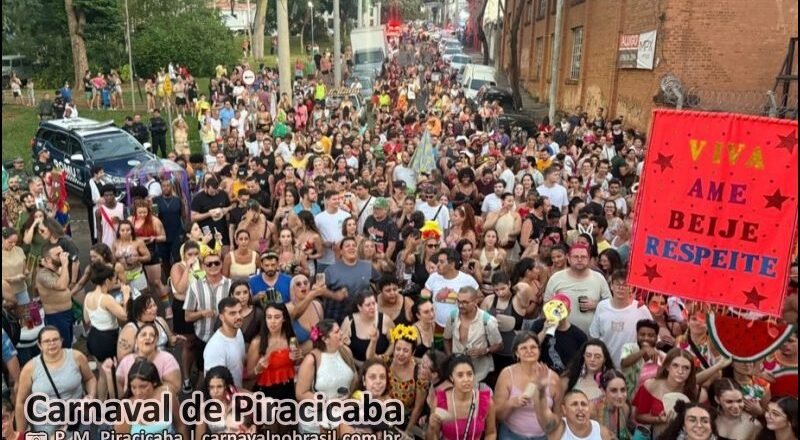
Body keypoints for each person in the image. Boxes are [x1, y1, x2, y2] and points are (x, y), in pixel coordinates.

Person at [14, 326, 96, 435]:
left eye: (55, 339)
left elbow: (90, 378)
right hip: (46, 424)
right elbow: (21, 402)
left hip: (76, 417)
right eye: (47, 341)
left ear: (61, 341)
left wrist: (90, 395)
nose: (52, 343)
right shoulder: (30, 368)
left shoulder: (77, 357)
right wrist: (21, 434)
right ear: (39, 345)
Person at [493, 331, 561, 440]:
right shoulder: (506, 374)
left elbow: (558, 415)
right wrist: (512, 403)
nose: (529, 351)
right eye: (524, 348)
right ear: (516, 353)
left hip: (543, 436)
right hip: (511, 435)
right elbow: (497, 415)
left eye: (533, 347)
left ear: (539, 350)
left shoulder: (553, 377)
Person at [295, 319, 358, 434]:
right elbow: (300, 393)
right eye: (337, 332)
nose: (341, 334)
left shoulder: (346, 352)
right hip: (317, 420)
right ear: (325, 339)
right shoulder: (312, 360)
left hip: (343, 414)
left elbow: (354, 379)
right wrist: (328, 401)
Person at [184, 252, 232, 387]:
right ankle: (200, 404)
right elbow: (187, 316)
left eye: (216, 263)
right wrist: (202, 313)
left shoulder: (230, 285)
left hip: (225, 338)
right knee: (203, 373)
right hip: (203, 338)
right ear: (203, 267)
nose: (213, 266)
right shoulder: (194, 286)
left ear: (222, 264)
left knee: (225, 375)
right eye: (209, 264)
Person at [632, 348, 703, 439]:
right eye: (675, 366)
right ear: (667, 366)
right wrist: (658, 419)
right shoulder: (651, 385)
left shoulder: (697, 392)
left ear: (691, 371)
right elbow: (638, 416)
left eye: (686, 367)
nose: (680, 371)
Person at [544, 243, 612, 334]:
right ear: (568, 258)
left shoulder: (598, 278)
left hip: (591, 335)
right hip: (562, 335)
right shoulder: (556, 278)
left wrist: (596, 305)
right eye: (576, 257)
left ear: (589, 259)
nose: (579, 260)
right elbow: (546, 305)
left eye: (583, 257)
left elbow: (610, 304)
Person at [589, 270, 653, 367]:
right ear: (611, 286)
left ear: (631, 287)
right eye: (617, 284)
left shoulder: (641, 309)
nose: (621, 288)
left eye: (625, 285)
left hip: (632, 367)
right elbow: (594, 336)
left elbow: (653, 335)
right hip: (606, 365)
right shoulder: (602, 306)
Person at [427, 355, 497, 440]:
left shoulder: (486, 401)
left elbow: (491, 433)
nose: (466, 379)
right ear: (451, 378)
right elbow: (432, 437)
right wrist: (431, 427)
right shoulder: (441, 401)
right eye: (460, 375)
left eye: (469, 374)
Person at [444, 286, 504, 384]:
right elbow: (446, 339)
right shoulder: (453, 317)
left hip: (480, 373)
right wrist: (450, 359)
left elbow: (500, 345)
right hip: (458, 373)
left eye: (465, 302)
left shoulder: (487, 321)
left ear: (475, 301)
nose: (460, 305)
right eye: (458, 301)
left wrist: (485, 350)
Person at [111, 322, 181, 396]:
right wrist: (109, 373)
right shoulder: (126, 361)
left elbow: (175, 388)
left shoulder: (168, 359)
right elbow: (117, 394)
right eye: (143, 335)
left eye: (152, 335)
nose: (148, 337)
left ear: (156, 340)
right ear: (136, 341)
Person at [526, 294, 588, 374]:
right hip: (540, 374)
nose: (557, 313)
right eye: (555, 310)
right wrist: (544, 331)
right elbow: (529, 347)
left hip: (565, 378)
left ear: (568, 312)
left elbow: (582, 362)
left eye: (561, 310)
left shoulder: (579, 336)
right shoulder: (539, 325)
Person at [322, 237, 379, 323]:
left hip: (360, 316)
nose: (351, 247)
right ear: (341, 251)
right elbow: (319, 291)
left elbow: (381, 283)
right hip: (336, 317)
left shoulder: (367, 266)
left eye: (354, 245)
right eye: (347, 246)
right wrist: (335, 295)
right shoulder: (330, 270)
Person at [423, 248, 480, 329]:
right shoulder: (433, 277)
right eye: (438, 261)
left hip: (460, 327)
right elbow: (424, 297)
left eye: (442, 262)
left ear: (452, 264)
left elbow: (479, 297)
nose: (438, 265)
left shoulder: (467, 280)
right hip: (436, 326)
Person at [36, 243, 75, 347]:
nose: (62, 256)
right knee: (62, 346)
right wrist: (65, 264)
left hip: (67, 313)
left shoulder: (57, 270)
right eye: (58, 254)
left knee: (69, 342)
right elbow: (62, 285)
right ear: (48, 259)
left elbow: (66, 281)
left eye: (62, 252)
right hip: (56, 317)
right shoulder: (43, 275)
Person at [203, 297, 246, 387]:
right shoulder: (215, 348)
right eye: (232, 313)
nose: (238, 316)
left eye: (240, 311)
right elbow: (215, 388)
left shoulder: (238, 331)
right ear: (222, 317)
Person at [342, 291, 394, 364]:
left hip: (381, 364)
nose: (372, 307)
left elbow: (393, 342)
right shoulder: (349, 322)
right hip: (356, 364)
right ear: (359, 307)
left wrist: (385, 356)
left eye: (374, 303)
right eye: (368, 305)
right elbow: (342, 347)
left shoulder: (385, 320)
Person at [561, 339, 616, 406]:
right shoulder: (569, 377)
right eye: (588, 355)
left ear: (604, 359)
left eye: (597, 356)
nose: (592, 359)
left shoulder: (612, 380)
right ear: (583, 356)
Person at [592, 369, 633, 440]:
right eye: (614, 390)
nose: (620, 396)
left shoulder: (625, 408)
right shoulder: (592, 409)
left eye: (623, 390)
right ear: (603, 391)